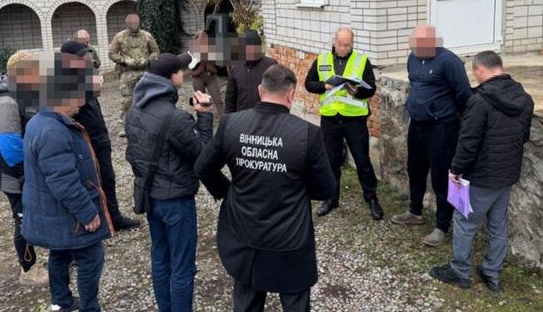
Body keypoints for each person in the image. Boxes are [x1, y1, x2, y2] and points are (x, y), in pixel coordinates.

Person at [196, 64, 336, 312]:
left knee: (247, 301)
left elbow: (203, 168)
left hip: (243, 231)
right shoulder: (307, 134)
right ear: (291, 94)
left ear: (260, 91)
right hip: (290, 237)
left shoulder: (231, 124)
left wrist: (227, 191)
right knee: (295, 303)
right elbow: (325, 189)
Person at [430, 51, 534, 291]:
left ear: (480, 69)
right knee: (498, 225)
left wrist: (455, 170)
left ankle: (459, 271)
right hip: (507, 173)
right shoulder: (524, 98)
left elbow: (468, 142)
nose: (474, 77)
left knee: (464, 220)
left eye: (474, 72)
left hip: (481, 175)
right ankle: (492, 273)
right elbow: (524, 136)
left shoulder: (479, 101)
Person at [22, 52, 113, 312]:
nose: (82, 102)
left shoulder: (41, 121)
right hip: (66, 216)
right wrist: (88, 213)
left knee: (59, 252)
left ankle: (60, 301)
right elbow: (64, 181)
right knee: (91, 258)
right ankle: (89, 307)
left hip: (52, 214)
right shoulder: (53, 131)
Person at [124, 52, 213, 311]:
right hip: (177, 202)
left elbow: (132, 155)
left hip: (151, 196)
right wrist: (204, 115)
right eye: (180, 71)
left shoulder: (133, 111)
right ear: (172, 76)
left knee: (160, 259)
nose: (183, 75)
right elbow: (204, 155)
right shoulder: (176, 118)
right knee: (182, 266)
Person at [391, 24, 472, 247]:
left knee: (442, 175)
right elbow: (414, 85)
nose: (415, 50)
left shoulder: (450, 62)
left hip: (442, 128)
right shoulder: (413, 58)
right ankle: (415, 212)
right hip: (417, 125)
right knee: (415, 169)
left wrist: (446, 113)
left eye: (419, 45)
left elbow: (464, 95)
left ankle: (442, 226)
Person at [304, 27, 384, 220]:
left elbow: (371, 88)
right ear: (334, 41)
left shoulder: (361, 61)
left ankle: (371, 198)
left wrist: (358, 91)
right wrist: (324, 86)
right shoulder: (322, 60)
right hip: (330, 119)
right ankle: (331, 198)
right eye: (340, 44)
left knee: (362, 161)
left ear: (352, 43)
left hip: (354, 120)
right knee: (331, 162)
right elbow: (308, 83)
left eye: (347, 45)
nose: (343, 48)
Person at [61, 41, 140, 231]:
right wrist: (91, 89)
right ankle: (96, 219)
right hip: (86, 141)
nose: (85, 59)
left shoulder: (83, 76)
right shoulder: (64, 81)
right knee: (92, 181)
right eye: (81, 57)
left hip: (100, 138)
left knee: (108, 178)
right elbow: (70, 108)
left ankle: (113, 217)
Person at [0, 50, 48, 287]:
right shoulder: (6, 102)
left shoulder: (25, 93)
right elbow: (10, 146)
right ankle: (28, 270)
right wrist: (27, 174)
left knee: (37, 214)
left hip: (30, 170)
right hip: (16, 174)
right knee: (23, 220)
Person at [108, 13, 160, 136]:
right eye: (131, 23)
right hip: (127, 73)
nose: (134, 25)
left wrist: (148, 59)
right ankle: (126, 126)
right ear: (127, 23)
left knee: (148, 97)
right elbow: (111, 53)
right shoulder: (119, 36)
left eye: (136, 22)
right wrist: (124, 60)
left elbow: (156, 51)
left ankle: (148, 124)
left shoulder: (147, 36)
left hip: (145, 72)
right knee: (127, 100)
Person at [224, 30, 278, 113]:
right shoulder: (235, 66)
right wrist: (229, 118)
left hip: (265, 116)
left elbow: (278, 94)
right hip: (243, 115)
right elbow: (230, 98)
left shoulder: (271, 65)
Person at [189, 30, 224, 116]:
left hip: (211, 77)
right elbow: (190, 66)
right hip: (197, 78)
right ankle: (202, 119)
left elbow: (220, 65)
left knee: (218, 100)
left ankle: (225, 118)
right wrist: (197, 57)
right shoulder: (192, 49)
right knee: (200, 101)